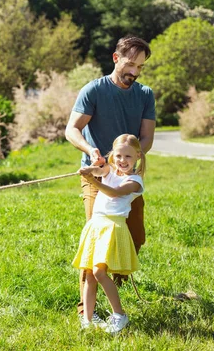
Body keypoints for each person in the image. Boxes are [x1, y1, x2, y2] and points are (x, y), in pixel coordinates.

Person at [64, 36, 155, 319]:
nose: (135, 72)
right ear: (116, 59)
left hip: (126, 176)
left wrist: (128, 162)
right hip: (98, 175)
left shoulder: (145, 94)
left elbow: (147, 138)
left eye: (140, 67)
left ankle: (113, 281)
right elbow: (72, 130)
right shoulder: (93, 90)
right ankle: (85, 310)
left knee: (135, 236)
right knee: (95, 239)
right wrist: (92, 151)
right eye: (130, 64)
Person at [72, 134, 147, 334]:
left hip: (113, 227)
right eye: (119, 156)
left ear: (138, 156)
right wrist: (90, 170)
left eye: (128, 157)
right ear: (113, 155)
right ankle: (87, 321)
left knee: (99, 272)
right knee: (89, 273)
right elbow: (100, 169)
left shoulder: (135, 181)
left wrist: (92, 180)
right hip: (97, 225)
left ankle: (120, 315)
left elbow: (114, 192)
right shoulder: (110, 170)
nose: (123, 161)